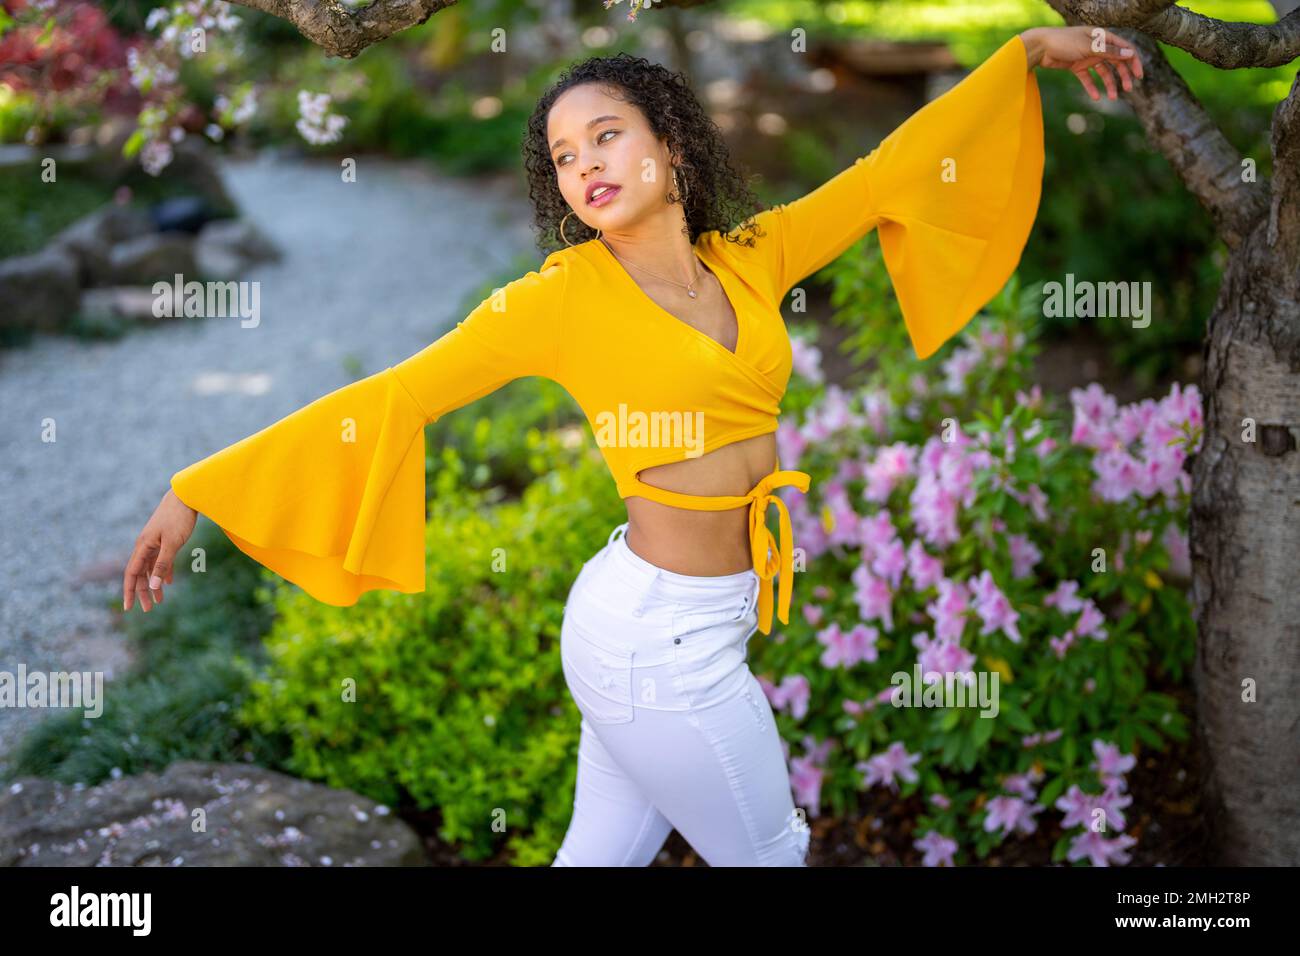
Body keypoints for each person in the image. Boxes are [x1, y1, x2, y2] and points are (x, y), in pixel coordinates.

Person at [124, 25, 1143, 866]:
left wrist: (1023, 54)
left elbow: (885, 176)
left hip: (686, 621)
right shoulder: (560, 300)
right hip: (655, 639)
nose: (583, 167)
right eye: (564, 157)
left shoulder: (749, 256)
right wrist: (199, 489)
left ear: (672, 147)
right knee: (772, 853)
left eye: (605, 137)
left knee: (600, 854)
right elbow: (396, 394)